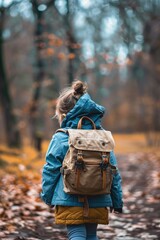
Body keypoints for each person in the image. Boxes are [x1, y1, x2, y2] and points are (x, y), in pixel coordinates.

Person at [41, 80, 123, 240]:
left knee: (76, 233)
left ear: (63, 115)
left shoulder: (61, 136)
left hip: (69, 197)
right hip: (99, 196)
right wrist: (117, 200)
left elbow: (50, 168)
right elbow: (113, 171)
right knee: (92, 234)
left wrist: (47, 196)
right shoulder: (102, 137)